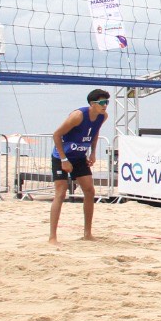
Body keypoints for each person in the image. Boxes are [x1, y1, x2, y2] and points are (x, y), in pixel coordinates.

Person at [49, 89, 110, 243]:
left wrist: (93, 152)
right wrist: (63, 159)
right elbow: (56, 134)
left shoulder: (102, 116)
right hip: (61, 156)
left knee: (89, 190)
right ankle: (52, 237)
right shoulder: (78, 116)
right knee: (61, 193)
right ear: (92, 104)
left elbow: (95, 133)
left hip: (79, 157)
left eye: (107, 102)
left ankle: (87, 234)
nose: (105, 106)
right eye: (102, 103)